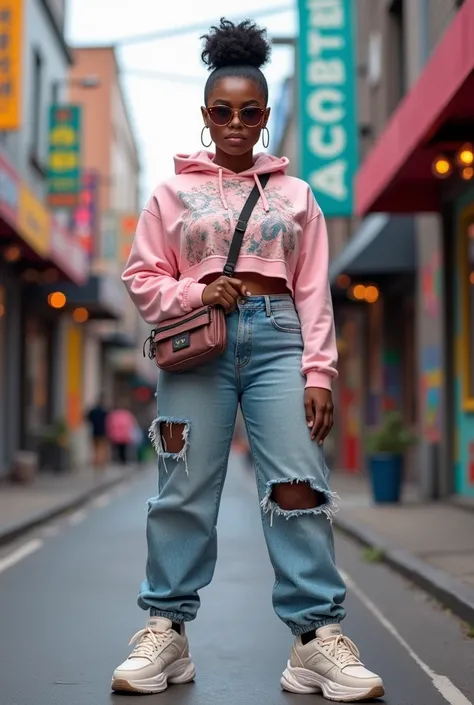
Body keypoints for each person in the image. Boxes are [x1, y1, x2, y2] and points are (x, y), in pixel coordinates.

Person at [112, 19, 384, 702]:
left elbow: (315, 289)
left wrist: (318, 372)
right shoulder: (170, 195)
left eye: (251, 111)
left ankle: (314, 641)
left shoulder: (295, 197)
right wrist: (197, 289)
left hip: (279, 341)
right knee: (181, 489)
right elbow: (142, 279)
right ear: (206, 117)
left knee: (298, 486)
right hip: (196, 346)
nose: (237, 122)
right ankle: (166, 630)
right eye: (223, 111)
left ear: (264, 117)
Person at [86, 395, 109, 470]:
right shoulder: (105, 412)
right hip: (103, 432)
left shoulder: (93, 411)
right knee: (102, 448)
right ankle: (101, 463)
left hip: (94, 431)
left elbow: (87, 418)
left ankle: (96, 462)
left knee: (95, 448)